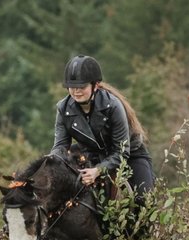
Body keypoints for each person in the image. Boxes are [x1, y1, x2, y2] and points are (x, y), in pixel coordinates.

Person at [51, 55, 154, 201]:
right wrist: (50, 164)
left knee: (144, 201)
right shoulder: (63, 108)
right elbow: (60, 146)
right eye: (72, 87)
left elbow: (121, 152)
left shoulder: (113, 105)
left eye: (82, 87)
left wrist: (98, 171)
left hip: (130, 155)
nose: (76, 91)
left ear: (96, 85)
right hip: (92, 155)